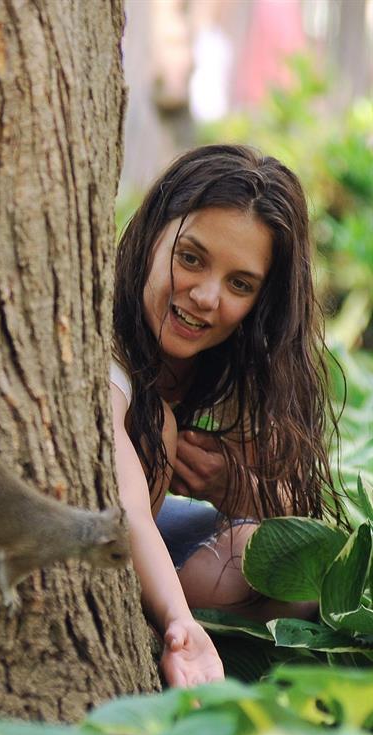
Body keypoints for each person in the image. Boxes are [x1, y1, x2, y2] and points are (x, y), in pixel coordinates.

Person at [111, 144, 345, 688]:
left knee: (296, 574)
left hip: (158, 534)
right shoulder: (110, 351)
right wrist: (178, 622)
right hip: (114, 536)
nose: (207, 297)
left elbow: (299, 517)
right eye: (190, 258)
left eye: (240, 283)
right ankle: (166, 625)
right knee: (156, 435)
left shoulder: (230, 359)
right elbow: (124, 504)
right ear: (152, 236)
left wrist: (234, 486)